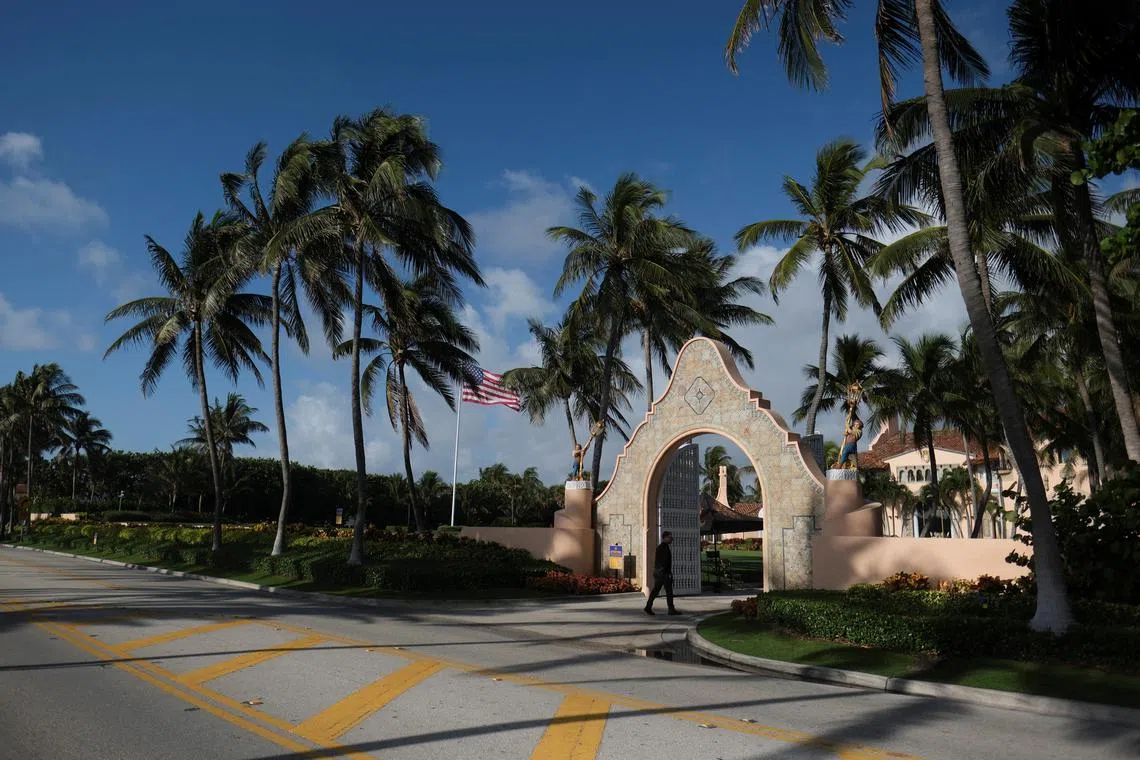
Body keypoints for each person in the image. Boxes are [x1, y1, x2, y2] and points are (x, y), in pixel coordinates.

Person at [644, 531, 680, 615]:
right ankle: (671, 609)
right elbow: (664, 562)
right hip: (664, 574)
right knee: (669, 592)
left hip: (659, 573)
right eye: (670, 537)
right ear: (665, 537)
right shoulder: (663, 548)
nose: (671, 539)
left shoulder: (661, 547)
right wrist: (667, 574)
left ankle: (648, 607)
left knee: (655, 591)